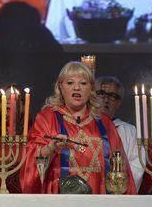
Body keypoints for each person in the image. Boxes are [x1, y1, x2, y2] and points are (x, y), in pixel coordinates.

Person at [20, 61, 137, 194]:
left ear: (91, 88)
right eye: (70, 83)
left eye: (83, 83)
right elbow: (31, 161)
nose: (77, 88)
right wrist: (51, 148)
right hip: (59, 201)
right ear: (60, 87)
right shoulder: (47, 118)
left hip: (99, 201)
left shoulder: (104, 122)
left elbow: (121, 167)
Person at [95, 76, 144, 191]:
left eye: (112, 96)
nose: (106, 100)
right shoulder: (84, 127)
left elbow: (137, 166)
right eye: (101, 93)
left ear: (118, 103)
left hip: (119, 194)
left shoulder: (130, 131)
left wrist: (117, 188)